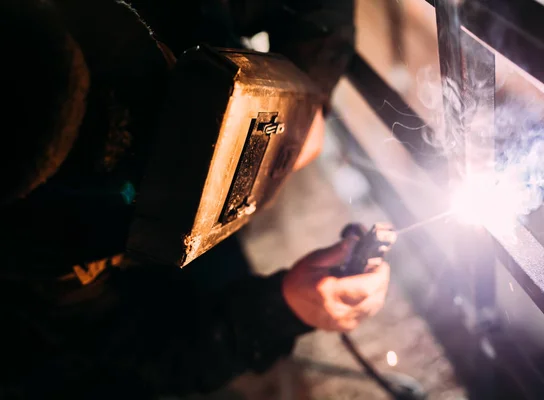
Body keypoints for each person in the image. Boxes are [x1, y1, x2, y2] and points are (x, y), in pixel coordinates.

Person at [0, 0, 391, 398]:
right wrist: (283, 308)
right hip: (140, 266)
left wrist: (311, 89)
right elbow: (128, 356)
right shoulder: (29, 256)